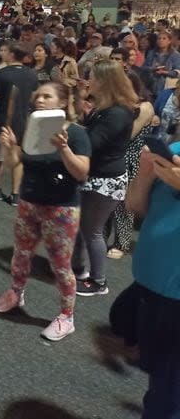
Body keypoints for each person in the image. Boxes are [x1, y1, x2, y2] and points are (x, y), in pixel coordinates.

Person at [0, 83, 91, 341]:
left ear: (63, 102)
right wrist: (11, 146)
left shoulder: (77, 133)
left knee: (60, 265)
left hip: (61, 208)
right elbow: (17, 163)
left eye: (47, 96)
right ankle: (16, 293)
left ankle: (66, 317)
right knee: (21, 254)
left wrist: (64, 149)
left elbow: (81, 172)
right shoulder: (33, 129)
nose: (40, 100)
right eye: (38, 96)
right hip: (30, 201)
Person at [123, 143, 180, 419]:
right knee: (159, 382)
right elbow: (134, 205)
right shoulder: (175, 150)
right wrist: (145, 172)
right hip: (151, 284)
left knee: (167, 398)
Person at [72, 60, 137, 297]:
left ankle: (99, 281)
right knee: (84, 227)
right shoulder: (106, 108)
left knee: (93, 231)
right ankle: (78, 269)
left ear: (105, 82)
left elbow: (93, 143)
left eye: (93, 78)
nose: (89, 81)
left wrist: (71, 132)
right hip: (98, 176)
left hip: (106, 180)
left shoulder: (117, 113)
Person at [0, 43, 38, 206]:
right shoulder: (32, 75)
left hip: (3, 119)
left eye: (5, 51)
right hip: (23, 120)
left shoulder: (1, 74)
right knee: (17, 157)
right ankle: (15, 194)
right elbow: (33, 99)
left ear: (11, 54)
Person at [106, 72, 154, 258]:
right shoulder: (117, 105)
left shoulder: (145, 106)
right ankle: (101, 239)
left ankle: (122, 243)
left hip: (130, 158)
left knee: (123, 205)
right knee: (105, 201)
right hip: (112, 157)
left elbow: (128, 135)